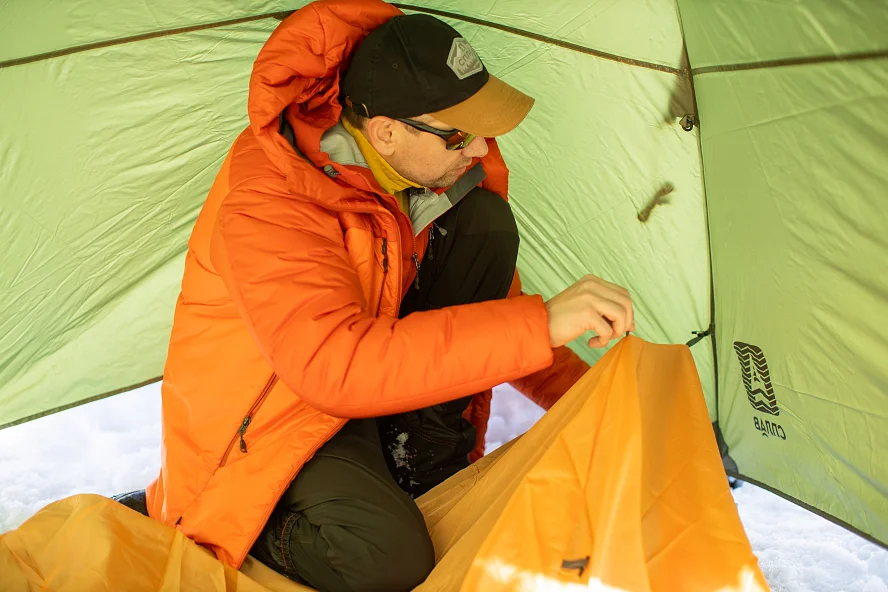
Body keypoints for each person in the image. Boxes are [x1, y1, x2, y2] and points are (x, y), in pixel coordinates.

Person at [118, 1, 634, 591]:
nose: (481, 150)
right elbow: (334, 366)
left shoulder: (407, 173)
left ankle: (416, 460)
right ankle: (256, 521)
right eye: (461, 134)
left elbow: (492, 311)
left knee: (485, 224)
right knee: (386, 562)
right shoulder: (271, 198)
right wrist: (540, 324)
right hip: (273, 427)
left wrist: (592, 393)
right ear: (386, 131)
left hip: (363, 391)